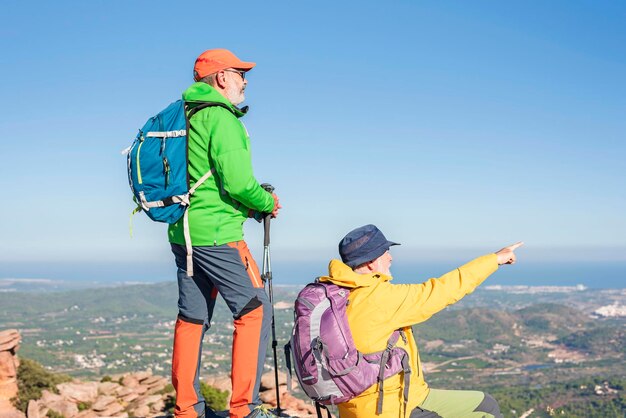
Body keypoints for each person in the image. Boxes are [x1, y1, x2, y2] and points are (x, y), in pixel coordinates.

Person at [168, 49, 281, 418]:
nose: (245, 80)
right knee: (255, 311)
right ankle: (245, 410)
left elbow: (205, 181)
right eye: (239, 73)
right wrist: (265, 202)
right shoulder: (221, 118)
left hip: (183, 234)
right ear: (220, 78)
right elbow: (237, 181)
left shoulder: (185, 115)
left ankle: (187, 410)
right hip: (218, 236)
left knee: (192, 318)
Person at [318, 224, 523, 418]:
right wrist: (495, 259)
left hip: (355, 408)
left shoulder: (335, 297)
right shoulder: (380, 298)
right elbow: (445, 290)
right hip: (394, 407)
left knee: (482, 403)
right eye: (385, 253)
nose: (390, 258)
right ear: (371, 262)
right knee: (486, 409)